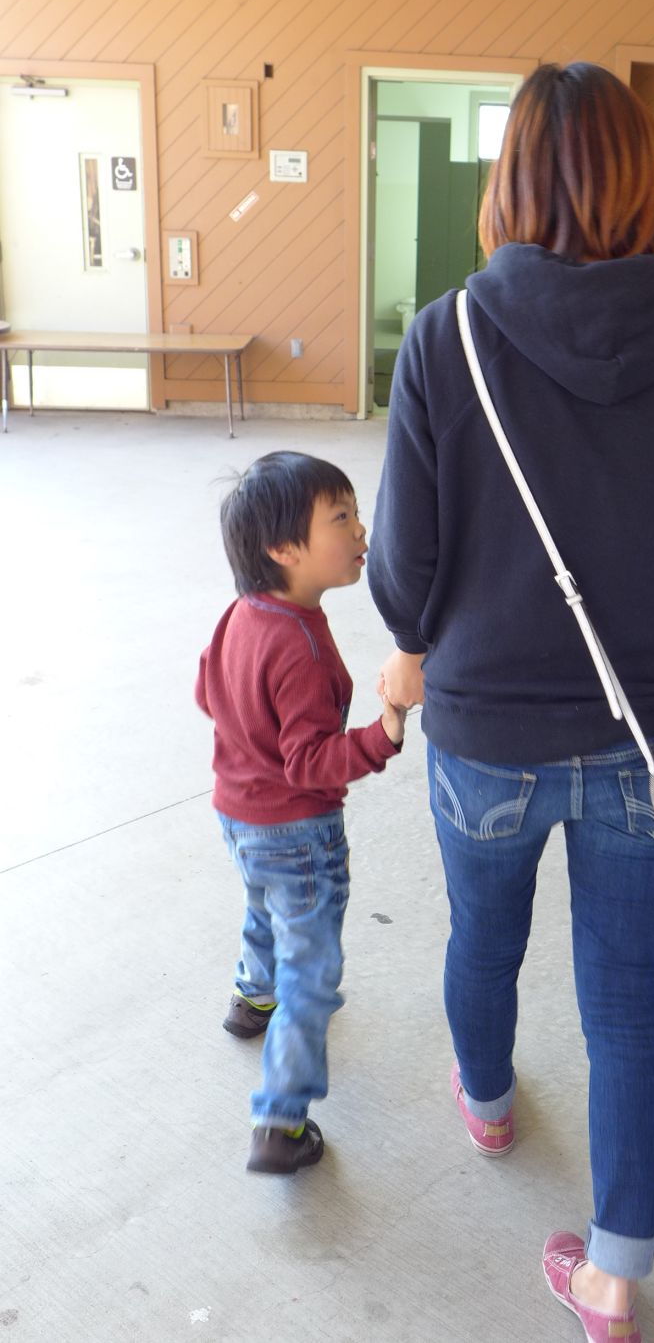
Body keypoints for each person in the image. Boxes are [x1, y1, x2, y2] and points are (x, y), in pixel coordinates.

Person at [367, 62, 654, 1343]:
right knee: (624, 1005)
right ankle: (612, 1279)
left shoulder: (447, 336)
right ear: (646, 174)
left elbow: (403, 575)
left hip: (484, 734)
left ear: (510, 180)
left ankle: (488, 1105)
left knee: (481, 943)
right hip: (653, 742)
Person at [195, 452, 405, 1174]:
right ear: (283, 549)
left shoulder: (241, 613)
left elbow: (206, 691)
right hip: (297, 830)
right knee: (310, 971)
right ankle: (280, 1122)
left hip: (238, 813)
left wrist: (250, 737)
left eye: (356, 513)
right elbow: (311, 763)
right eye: (340, 518)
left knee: (264, 906)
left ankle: (252, 997)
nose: (361, 531)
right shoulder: (301, 646)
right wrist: (384, 732)